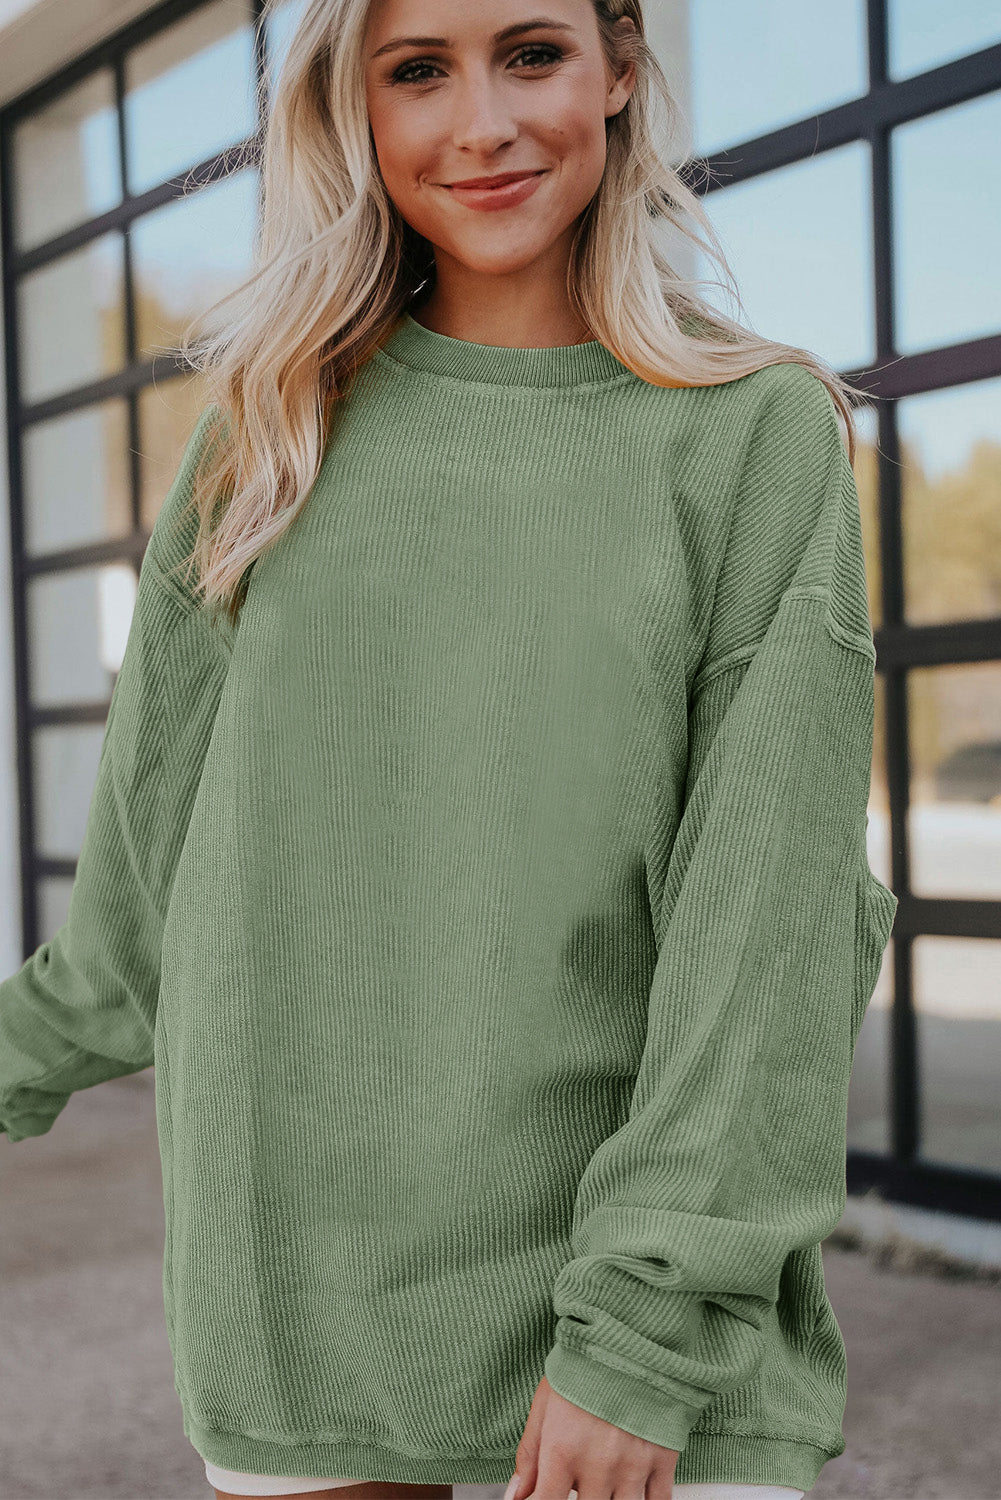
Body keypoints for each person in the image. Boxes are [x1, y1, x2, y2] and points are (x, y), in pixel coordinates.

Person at [0, 0, 899, 1497]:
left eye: (531, 54)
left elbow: (771, 923)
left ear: (619, 67)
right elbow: (138, 919)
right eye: (418, 71)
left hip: (632, 1316)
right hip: (296, 1287)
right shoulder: (265, 438)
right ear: (355, 109)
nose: (481, 125)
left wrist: (646, 1331)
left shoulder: (752, 434)